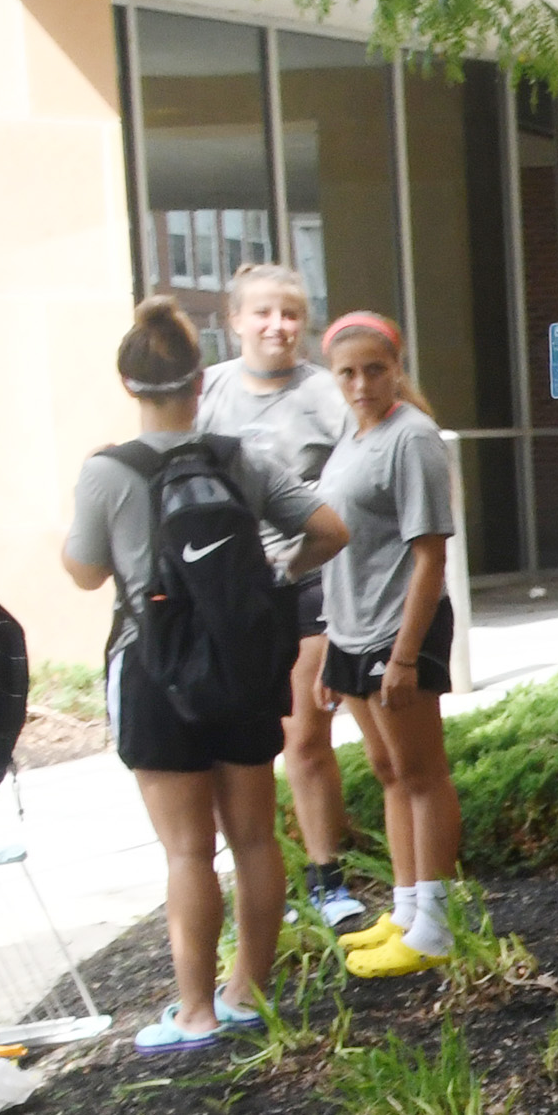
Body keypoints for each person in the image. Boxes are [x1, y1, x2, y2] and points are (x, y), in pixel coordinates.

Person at [62, 295, 346, 1050]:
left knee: (188, 851)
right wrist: (279, 572)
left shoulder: (106, 473)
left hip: (153, 670)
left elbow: (85, 572)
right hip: (244, 666)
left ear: (130, 384)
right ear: (199, 383)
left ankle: (192, 1014)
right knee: (254, 836)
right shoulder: (239, 456)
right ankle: (248, 993)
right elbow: (329, 529)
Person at [194, 263, 368, 932]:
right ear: (234, 319)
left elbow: (350, 494)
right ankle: (263, 879)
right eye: (263, 313)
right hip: (224, 591)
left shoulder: (326, 394)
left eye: (291, 313)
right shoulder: (206, 391)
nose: (278, 326)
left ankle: (327, 877)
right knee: (239, 744)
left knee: (304, 734)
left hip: (305, 579)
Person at [310, 313, 465, 979]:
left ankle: (435, 924)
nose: (361, 383)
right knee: (388, 770)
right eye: (347, 372)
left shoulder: (413, 439)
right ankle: (404, 910)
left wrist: (404, 655)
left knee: (422, 772)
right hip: (350, 633)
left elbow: (429, 555)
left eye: (375, 368)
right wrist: (330, 651)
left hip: (397, 631)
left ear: (397, 367)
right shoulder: (352, 435)